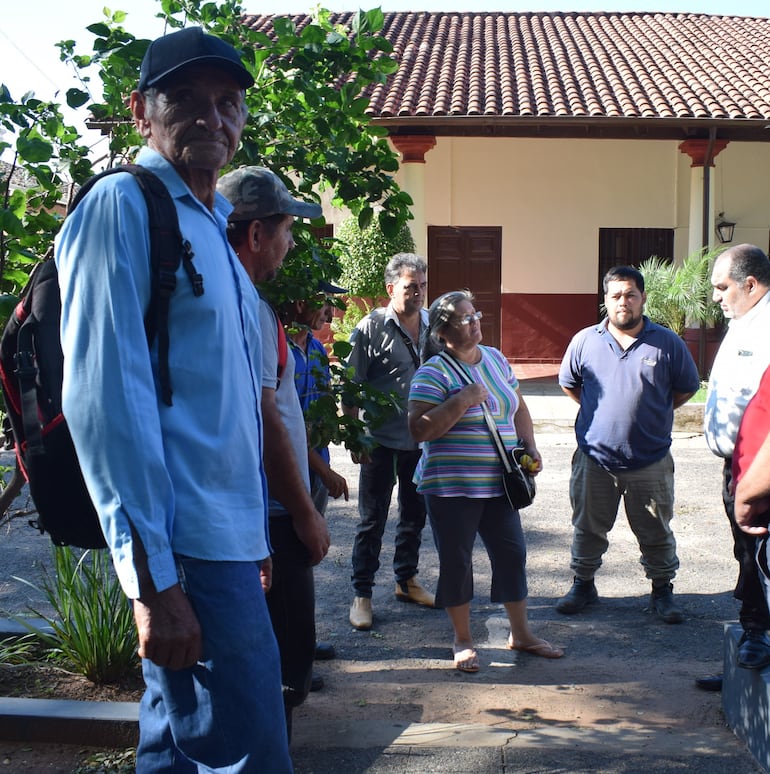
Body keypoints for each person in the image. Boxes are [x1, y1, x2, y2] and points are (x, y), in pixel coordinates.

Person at [56, 28, 293, 772]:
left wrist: (251, 536)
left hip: (221, 544)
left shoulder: (213, 227)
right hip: (182, 549)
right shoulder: (124, 207)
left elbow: (218, 410)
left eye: (227, 102)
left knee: (186, 748)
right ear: (139, 112)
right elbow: (106, 403)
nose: (209, 117)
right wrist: (153, 583)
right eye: (183, 98)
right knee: (248, 753)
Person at [217, 165, 331, 740]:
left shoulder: (226, 295)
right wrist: (304, 511)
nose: (291, 243)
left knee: (278, 655)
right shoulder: (245, 307)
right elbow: (263, 419)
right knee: (286, 660)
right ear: (257, 235)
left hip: (261, 514)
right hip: (271, 517)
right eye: (287, 229)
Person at [408, 290, 563, 672]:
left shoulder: (495, 359)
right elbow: (418, 430)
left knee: (512, 554)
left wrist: (530, 447)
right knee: (457, 561)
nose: (475, 321)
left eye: (476, 314)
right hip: (452, 486)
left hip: (500, 483)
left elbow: (519, 407)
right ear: (443, 331)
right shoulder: (432, 372)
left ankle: (521, 634)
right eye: (465, 318)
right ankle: (462, 640)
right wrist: (460, 401)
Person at [556, 265, 699, 624]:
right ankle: (583, 584)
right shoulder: (585, 341)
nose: (624, 302)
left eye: (631, 295)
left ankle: (662, 590)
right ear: (605, 300)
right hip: (595, 459)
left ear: (643, 298)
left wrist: (650, 413)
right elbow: (570, 384)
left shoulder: (667, 343)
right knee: (587, 526)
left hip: (649, 460)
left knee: (655, 528)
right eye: (616, 295)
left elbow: (686, 388)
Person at [344, 253, 435, 631]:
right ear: (391, 288)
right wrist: (355, 434)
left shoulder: (432, 324)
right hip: (379, 440)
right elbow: (351, 384)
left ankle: (406, 580)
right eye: (410, 286)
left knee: (415, 515)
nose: (418, 294)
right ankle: (362, 594)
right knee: (372, 519)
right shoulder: (370, 327)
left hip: (421, 439)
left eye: (423, 286)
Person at [698, 244, 770, 690]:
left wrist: (752, 482)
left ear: (749, 283)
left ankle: (758, 639)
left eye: (723, 288)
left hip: (760, 471)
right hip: (737, 464)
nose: (717, 298)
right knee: (746, 555)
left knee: (759, 559)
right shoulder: (744, 320)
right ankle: (751, 638)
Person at [282, 284, 350, 682]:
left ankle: (302, 644)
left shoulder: (317, 352)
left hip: (316, 467)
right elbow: (285, 430)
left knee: (306, 560)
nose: (330, 311)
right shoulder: (281, 352)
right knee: (291, 561)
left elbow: (321, 413)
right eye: (323, 303)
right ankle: (294, 665)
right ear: (301, 301)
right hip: (294, 471)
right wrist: (323, 471)